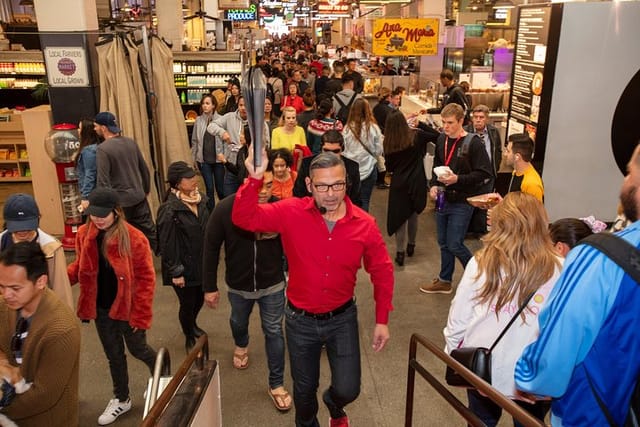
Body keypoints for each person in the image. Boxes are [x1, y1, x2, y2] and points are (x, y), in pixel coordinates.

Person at [232, 150, 394, 427]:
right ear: (309, 185)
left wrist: (382, 320)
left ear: (347, 183)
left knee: (348, 389)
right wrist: (255, 178)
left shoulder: (365, 225)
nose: (330, 193)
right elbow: (244, 218)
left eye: (337, 185)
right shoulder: (291, 211)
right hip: (300, 322)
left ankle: (333, 403)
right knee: (304, 394)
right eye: (322, 186)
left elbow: (382, 271)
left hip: (342, 319)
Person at [515, 144, 640, 427]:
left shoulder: (601, 256)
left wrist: (529, 377)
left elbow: (560, 339)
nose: (625, 179)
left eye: (630, 171)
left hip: (593, 412)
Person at [444, 192, 562, 427]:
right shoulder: (560, 267)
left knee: (481, 420)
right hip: (534, 373)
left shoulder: (481, 263)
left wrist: (452, 355)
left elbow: (459, 318)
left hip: (485, 368)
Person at [202, 170, 292, 412]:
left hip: (272, 284)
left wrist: (293, 274)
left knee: (274, 331)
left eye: (270, 185)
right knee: (238, 322)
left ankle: (276, 384)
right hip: (239, 286)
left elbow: (293, 244)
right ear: (246, 182)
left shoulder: (279, 208)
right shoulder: (225, 208)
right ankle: (241, 344)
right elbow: (210, 248)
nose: (264, 192)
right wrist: (209, 287)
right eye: (260, 185)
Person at [68, 188, 157, 425]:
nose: (98, 218)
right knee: (114, 356)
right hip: (100, 309)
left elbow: (147, 280)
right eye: (94, 213)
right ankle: (121, 398)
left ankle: (162, 374)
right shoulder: (85, 234)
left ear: (116, 212)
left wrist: (140, 315)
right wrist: (58, 279)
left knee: (139, 349)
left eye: (103, 214)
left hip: (128, 309)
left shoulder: (134, 238)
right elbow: (80, 267)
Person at [0, 242, 80, 427]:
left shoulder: (61, 329)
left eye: (15, 288)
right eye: (2, 286)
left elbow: (44, 396)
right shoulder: (6, 305)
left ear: (41, 282)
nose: (6, 294)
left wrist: (3, 406)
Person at [419, 103, 492, 294]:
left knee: (454, 243)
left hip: (462, 201)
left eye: (450, 122)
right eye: (443, 122)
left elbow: (484, 173)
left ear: (461, 121)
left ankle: (479, 278)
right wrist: (434, 184)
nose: (445, 126)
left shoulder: (474, 143)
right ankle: (445, 280)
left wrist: (457, 179)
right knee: (443, 242)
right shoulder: (442, 138)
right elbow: (437, 164)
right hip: (444, 198)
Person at [157, 162, 209, 353]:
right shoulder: (169, 209)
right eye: (189, 178)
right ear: (177, 183)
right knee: (187, 303)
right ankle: (189, 334)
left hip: (200, 262)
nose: (194, 180)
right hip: (182, 266)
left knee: (200, 299)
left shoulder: (201, 200)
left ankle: (192, 324)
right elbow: (167, 244)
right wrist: (176, 271)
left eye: (193, 176)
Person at [94, 111, 158, 252]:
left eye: (96, 126)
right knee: (150, 232)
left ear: (103, 128)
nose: (94, 129)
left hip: (120, 203)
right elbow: (145, 170)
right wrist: (145, 190)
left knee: (121, 237)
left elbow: (103, 181)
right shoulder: (130, 143)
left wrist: (106, 206)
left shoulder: (103, 150)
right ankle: (170, 264)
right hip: (139, 196)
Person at [0, 194, 73, 309]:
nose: (22, 231)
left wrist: (66, 319)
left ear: (38, 219)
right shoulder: (1, 242)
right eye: (17, 226)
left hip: (40, 311)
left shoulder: (51, 248)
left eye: (27, 225)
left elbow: (61, 289)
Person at [383, 110, 435, 266]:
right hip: (416, 180)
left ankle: (400, 252)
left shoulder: (389, 142)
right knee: (413, 213)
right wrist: (421, 124)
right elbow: (436, 136)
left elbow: (390, 167)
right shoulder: (416, 136)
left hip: (399, 183)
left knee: (400, 218)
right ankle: (411, 245)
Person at [294, 130, 361, 207]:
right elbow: (298, 193)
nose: (330, 155)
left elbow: (355, 199)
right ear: (321, 148)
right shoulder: (306, 164)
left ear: (342, 149)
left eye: (335, 151)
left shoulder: (352, 167)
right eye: (327, 150)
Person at [464, 104, 502, 234]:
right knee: (469, 204)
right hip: (472, 175)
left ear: (487, 119)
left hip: (488, 176)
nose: (478, 120)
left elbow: (497, 151)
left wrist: (494, 169)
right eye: (475, 117)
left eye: (481, 117)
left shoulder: (493, 132)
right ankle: (466, 230)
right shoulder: (466, 132)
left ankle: (480, 231)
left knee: (484, 206)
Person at [341, 98, 383, 212]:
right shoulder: (373, 128)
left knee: (351, 200)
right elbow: (379, 151)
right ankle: (364, 225)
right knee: (365, 200)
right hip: (369, 169)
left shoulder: (347, 129)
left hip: (351, 169)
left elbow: (343, 149)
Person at [207, 96, 249, 197]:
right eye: (241, 105)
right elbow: (211, 126)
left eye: (246, 105)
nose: (243, 108)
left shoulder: (257, 120)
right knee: (228, 199)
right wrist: (222, 132)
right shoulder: (230, 117)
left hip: (249, 172)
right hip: (231, 167)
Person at [191, 94, 225, 210]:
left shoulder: (221, 120)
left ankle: (223, 211)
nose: (205, 106)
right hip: (204, 160)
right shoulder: (198, 120)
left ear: (213, 105)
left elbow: (226, 140)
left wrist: (226, 157)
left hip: (218, 161)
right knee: (209, 189)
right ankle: (211, 215)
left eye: (207, 103)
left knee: (220, 189)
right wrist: (194, 158)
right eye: (203, 103)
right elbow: (195, 141)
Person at [504, 133, 544, 202]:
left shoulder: (532, 184)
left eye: (508, 151)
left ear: (517, 156)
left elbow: (532, 212)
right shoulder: (516, 171)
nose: (505, 154)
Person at [76, 118, 100, 213]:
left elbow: (90, 173)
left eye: (80, 128)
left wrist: (85, 196)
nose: (78, 130)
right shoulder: (93, 148)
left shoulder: (88, 151)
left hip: (92, 195)